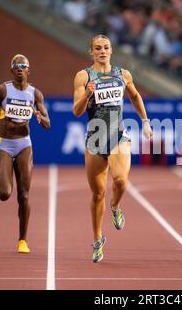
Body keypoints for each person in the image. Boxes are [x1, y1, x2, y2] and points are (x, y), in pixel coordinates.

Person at [72, 34, 153, 263]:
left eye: (106, 47)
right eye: (97, 48)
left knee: (120, 181)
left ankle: (116, 206)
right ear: (91, 52)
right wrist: (87, 94)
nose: (102, 51)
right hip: (95, 139)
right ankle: (98, 240)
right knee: (97, 193)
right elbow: (77, 111)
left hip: (118, 136)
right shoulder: (83, 76)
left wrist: (145, 122)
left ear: (111, 50)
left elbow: (135, 97)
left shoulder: (122, 74)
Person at [0, 54, 50, 253]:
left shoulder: (36, 94)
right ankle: (2, 171)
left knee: (24, 195)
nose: (19, 68)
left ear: (28, 70)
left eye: (23, 65)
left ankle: (22, 240)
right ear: (11, 70)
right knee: (4, 194)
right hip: (5, 145)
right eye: (16, 65)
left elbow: (48, 123)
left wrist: (40, 117)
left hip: (24, 144)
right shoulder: (2, 90)